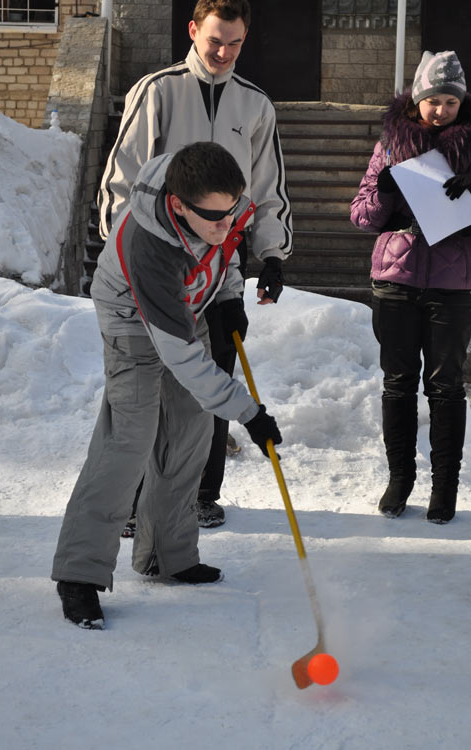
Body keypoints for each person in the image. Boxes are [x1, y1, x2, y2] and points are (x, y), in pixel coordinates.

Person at [52, 142, 282, 628]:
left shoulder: (215, 207)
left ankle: (166, 555)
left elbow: (226, 245)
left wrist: (230, 295)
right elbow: (178, 354)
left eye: (232, 212)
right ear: (178, 205)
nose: (227, 224)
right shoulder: (149, 245)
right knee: (129, 441)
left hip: (187, 307)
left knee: (190, 434)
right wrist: (248, 412)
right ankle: (79, 574)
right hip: (132, 320)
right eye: (214, 216)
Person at [98, 0, 292, 531]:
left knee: (210, 383)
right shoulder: (158, 91)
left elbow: (268, 189)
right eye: (215, 41)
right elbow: (121, 182)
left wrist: (271, 255)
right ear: (193, 31)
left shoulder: (255, 105)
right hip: (156, 267)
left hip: (217, 270)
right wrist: (131, 260)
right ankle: (137, 501)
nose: (224, 52)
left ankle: (200, 494)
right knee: (152, 390)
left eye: (234, 42)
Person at [350, 50, 471, 524]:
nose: (439, 110)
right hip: (395, 282)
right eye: (432, 100)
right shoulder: (391, 143)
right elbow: (361, 215)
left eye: (449, 101)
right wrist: (383, 189)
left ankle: (445, 488)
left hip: (453, 285)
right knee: (397, 383)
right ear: (416, 99)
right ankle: (399, 480)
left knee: (446, 387)